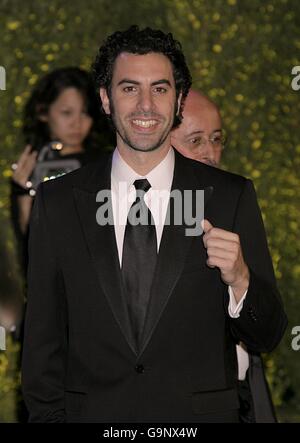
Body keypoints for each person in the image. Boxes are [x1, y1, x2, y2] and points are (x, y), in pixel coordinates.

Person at [22, 26, 287, 423]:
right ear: (105, 99)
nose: (146, 106)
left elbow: (267, 335)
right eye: (129, 88)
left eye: (160, 90)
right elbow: (42, 348)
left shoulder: (229, 196)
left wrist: (241, 280)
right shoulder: (58, 202)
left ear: (179, 100)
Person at [171, 89, 277, 422]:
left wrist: (241, 280)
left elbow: (270, 328)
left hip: (239, 398)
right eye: (196, 140)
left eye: (216, 139)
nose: (211, 153)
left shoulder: (235, 200)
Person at [10, 67, 114, 275]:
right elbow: (30, 243)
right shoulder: (31, 165)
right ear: (43, 112)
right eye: (66, 113)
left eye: (85, 112)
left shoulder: (108, 161)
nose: (77, 123)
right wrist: (23, 191)